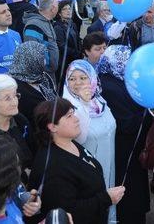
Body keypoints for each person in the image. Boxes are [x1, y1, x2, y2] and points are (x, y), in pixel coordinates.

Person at [28, 99, 126, 224]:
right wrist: (106, 198)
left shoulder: (69, 142)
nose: (76, 119)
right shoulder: (54, 168)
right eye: (69, 116)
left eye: (73, 113)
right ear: (52, 127)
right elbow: (66, 214)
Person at [97, 45, 151, 224]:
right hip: (124, 148)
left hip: (130, 147)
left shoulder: (118, 79)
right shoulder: (109, 86)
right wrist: (146, 111)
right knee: (128, 188)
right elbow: (125, 123)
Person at [62, 60, 117, 222]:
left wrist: (88, 102)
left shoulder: (100, 101)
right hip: (86, 170)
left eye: (83, 77)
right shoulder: (68, 107)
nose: (77, 83)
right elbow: (80, 137)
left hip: (107, 162)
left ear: (92, 78)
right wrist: (84, 105)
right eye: (72, 79)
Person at [0, 75, 34, 180]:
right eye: (7, 98)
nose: (14, 102)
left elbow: (34, 149)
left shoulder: (21, 120)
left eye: (15, 96)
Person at [10, 42, 58, 127]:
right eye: (42, 57)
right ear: (31, 61)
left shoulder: (43, 76)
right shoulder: (15, 88)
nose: (45, 61)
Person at [23, 0, 59, 81]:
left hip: (49, 74)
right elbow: (33, 54)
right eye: (58, 5)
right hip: (41, 77)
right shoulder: (33, 25)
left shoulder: (46, 21)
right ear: (53, 8)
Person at [53, 0, 82, 80]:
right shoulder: (57, 27)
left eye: (69, 9)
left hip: (75, 59)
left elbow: (77, 39)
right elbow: (61, 46)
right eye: (64, 9)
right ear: (59, 13)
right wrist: (75, 53)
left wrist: (81, 50)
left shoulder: (73, 24)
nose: (68, 11)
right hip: (64, 62)